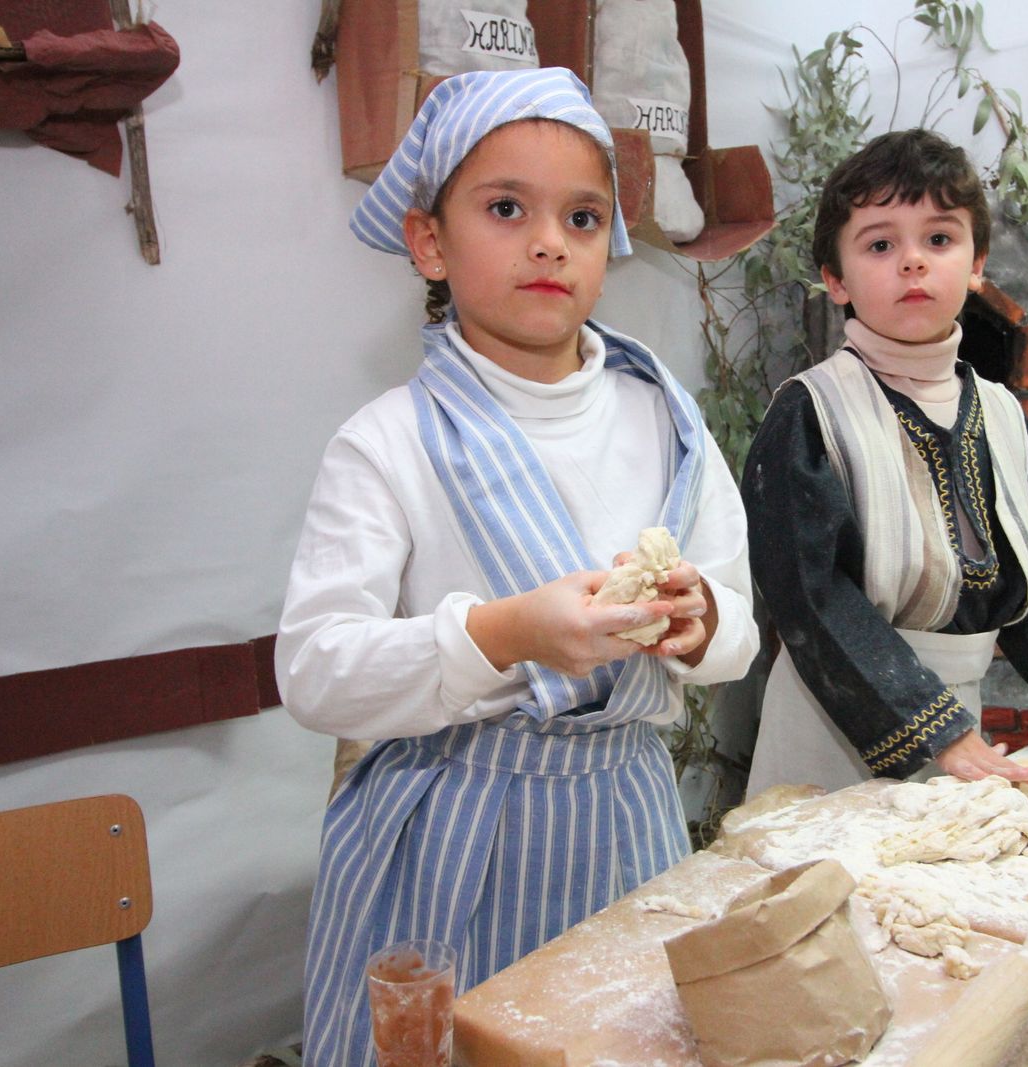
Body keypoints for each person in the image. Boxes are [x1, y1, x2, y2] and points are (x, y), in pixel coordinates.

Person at [276, 68, 759, 1067]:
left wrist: (702, 617)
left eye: (582, 217)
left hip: (625, 829)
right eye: (506, 208)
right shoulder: (387, 441)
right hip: (443, 841)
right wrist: (505, 632)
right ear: (429, 241)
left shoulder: (664, 422)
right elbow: (315, 669)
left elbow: (739, 625)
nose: (549, 240)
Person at [742, 128, 1028, 800]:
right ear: (836, 279)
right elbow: (811, 596)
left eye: (939, 239)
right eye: (880, 244)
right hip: (838, 724)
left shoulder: (1002, 417)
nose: (912, 262)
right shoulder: (810, 414)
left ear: (978, 264)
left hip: (962, 727)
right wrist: (931, 726)